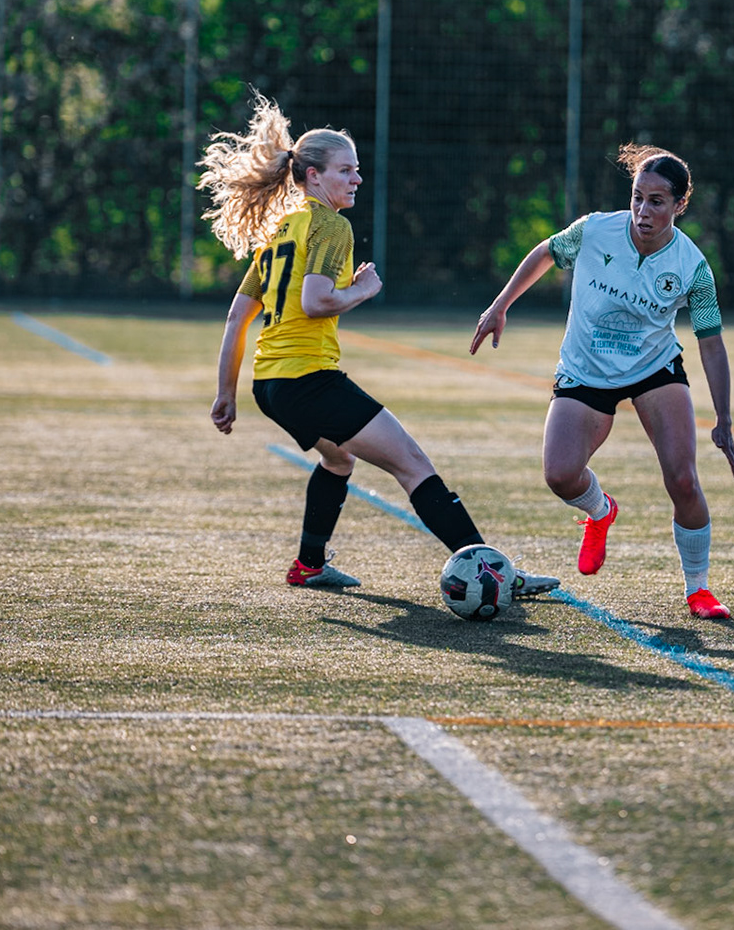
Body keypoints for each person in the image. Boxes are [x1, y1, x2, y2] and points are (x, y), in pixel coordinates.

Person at [203, 93, 559, 599]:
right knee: (412, 463)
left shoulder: (280, 231)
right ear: (313, 177)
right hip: (307, 379)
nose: (356, 179)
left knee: (338, 462)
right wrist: (362, 291)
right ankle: (494, 573)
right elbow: (317, 301)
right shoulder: (329, 225)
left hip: (272, 385)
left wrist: (227, 393)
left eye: (357, 170)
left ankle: (309, 564)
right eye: (346, 170)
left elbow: (239, 315)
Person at [470, 144, 734, 620]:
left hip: (653, 370)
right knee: (559, 475)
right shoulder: (595, 229)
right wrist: (500, 305)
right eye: (638, 197)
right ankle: (600, 511)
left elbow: (711, 342)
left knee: (683, 479)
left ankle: (698, 589)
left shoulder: (692, 266)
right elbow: (545, 252)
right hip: (585, 370)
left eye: (657, 201)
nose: (643, 210)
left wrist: (723, 418)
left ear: (680, 205)